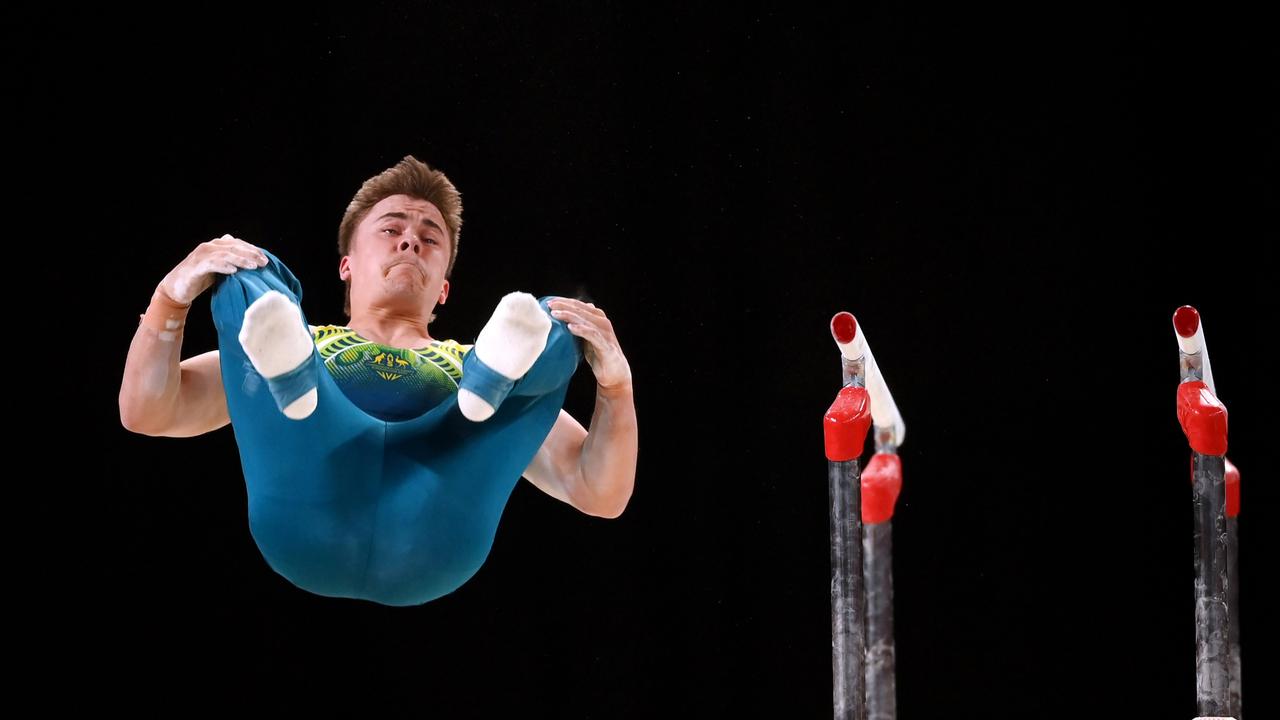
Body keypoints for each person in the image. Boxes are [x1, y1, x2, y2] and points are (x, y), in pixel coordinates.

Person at [119, 156, 638, 606]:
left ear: (444, 291)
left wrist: (616, 388)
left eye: (430, 238)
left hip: (434, 533)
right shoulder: (282, 335)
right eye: (392, 229)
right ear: (347, 265)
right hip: (307, 511)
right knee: (247, 270)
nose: (411, 240)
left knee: (556, 324)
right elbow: (148, 411)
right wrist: (170, 298)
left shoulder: (497, 354)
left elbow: (599, 492)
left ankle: (472, 395)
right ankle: (299, 390)